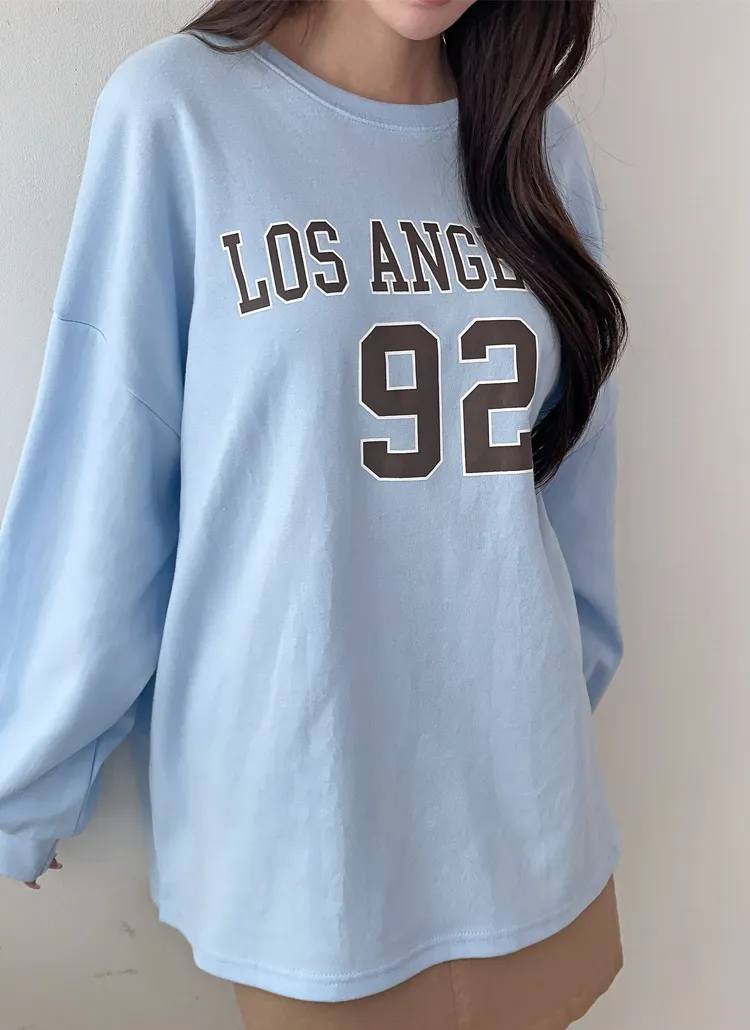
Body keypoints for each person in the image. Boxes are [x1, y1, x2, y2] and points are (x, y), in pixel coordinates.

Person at [0, 1, 628, 1027]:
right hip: (309, 851)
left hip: (534, 829)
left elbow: (574, 493)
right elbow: (106, 470)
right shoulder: (179, 115)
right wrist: (28, 776)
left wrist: (549, 711)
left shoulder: (539, 145)